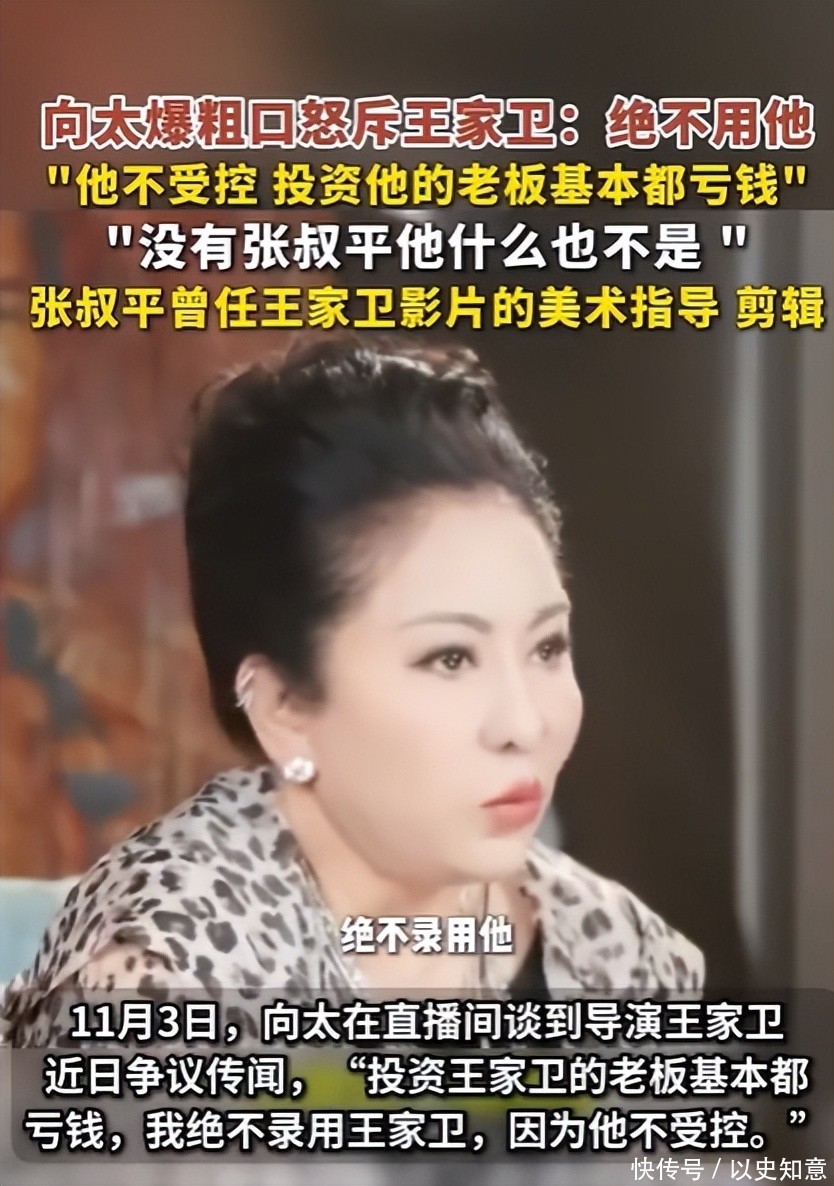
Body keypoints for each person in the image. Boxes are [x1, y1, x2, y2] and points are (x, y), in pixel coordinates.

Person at [1, 337, 703, 1045]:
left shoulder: (624, 956)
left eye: (547, 647)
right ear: (283, 708)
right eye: (450, 658)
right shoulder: (162, 983)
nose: (524, 723)